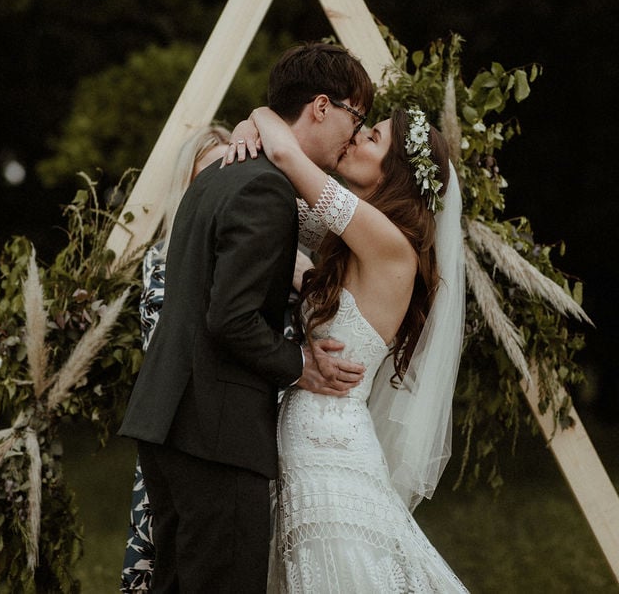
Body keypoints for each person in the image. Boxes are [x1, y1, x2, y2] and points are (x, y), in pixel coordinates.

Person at [118, 42, 375, 593]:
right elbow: (229, 319)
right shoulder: (265, 188)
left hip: (167, 420)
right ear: (322, 106)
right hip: (216, 431)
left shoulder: (218, 177)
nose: (355, 134)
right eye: (356, 116)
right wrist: (299, 364)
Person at [228, 105, 468, 592]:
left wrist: (257, 113)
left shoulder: (389, 242)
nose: (354, 140)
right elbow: (278, 217)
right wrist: (240, 133)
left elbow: (282, 152)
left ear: (395, 170)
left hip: (330, 451)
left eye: (371, 138)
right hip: (308, 442)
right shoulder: (356, 239)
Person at [120, 125, 315, 593]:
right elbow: (224, 325)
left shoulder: (272, 249)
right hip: (203, 425)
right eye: (209, 175)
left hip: (225, 426)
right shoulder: (165, 261)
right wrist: (301, 364)